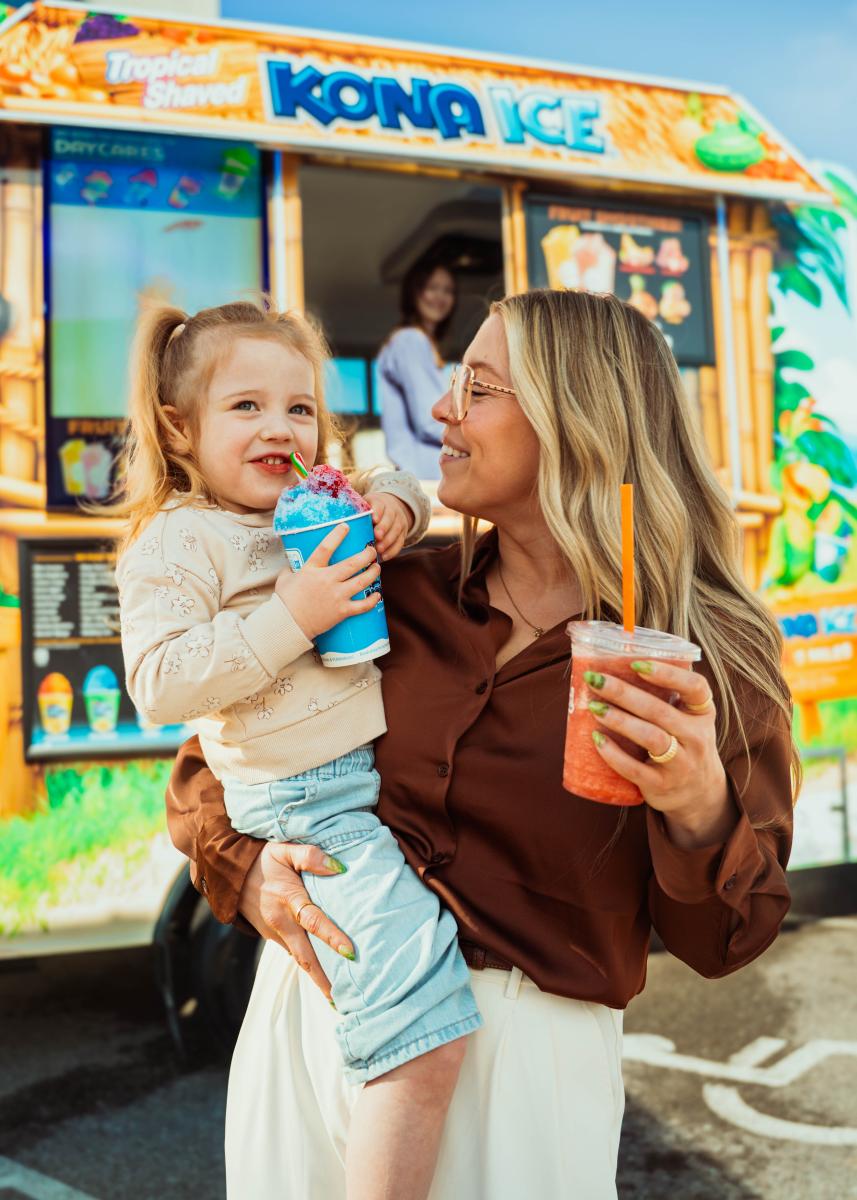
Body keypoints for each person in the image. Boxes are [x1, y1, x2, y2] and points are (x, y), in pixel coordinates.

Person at [166, 289, 798, 1199]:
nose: (439, 408)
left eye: (477, 387)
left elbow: (726, 939)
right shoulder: (384, 590)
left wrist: (697, 803)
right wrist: (252, 870)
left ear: (575, 419)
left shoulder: (706, 658)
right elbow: (208, 767)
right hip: (313, 1013)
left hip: (523, 1071)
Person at [113, 300, 483, 1200]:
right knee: (420, 1034)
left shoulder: (314, 502)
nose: (279, 427)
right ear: (180, 427)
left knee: (400, 1009)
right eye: (245, 406)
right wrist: (292, 616)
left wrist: (393, 507)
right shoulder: (177, 539)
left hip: (355, 789)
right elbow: (159, 683)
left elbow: (392, 479)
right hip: (306, 804)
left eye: (300, 407)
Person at [378, 259, 456, 478]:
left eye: (448, 290)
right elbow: (430, 420)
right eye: (432, 287)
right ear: (414, 292)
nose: (440, 297)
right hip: (425, 477)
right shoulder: (410, 340)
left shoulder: (419, 342)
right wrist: (477, 440)